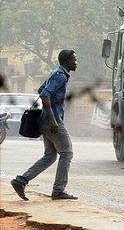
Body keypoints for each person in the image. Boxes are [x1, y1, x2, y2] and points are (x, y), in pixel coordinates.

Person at [11, 50, 78, 201]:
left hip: (45, 120)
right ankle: (58, 190)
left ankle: (21, 180)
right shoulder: (60, 76)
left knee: (50, 155)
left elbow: (41, 90)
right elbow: (46, 94)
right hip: (51, 121)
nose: (76, 62)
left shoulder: (57, 73)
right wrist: (53, 119)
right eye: (74, 60)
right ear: (66, 61)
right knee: (67, 153)